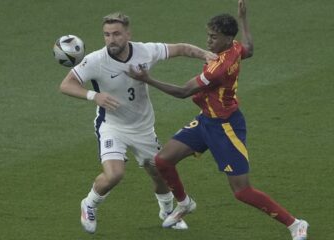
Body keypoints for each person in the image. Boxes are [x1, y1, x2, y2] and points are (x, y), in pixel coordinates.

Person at [127, 1, 309, 239]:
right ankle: (184, 204)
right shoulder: (233, 47)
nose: (208, 41)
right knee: (162, 161)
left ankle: (295, 224)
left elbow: (183, 92)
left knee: (242, 191)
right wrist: (243, 19)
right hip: (206, 121)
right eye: (208, 36)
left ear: (225, 37)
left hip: (225, 128)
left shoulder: (218, 69)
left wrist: (147, 79)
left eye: (213, 37)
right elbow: (250, 49)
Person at [59, 12, 217, 234]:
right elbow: (66, 84)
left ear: (128, 34)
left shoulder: (145, 50)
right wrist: (94, 96)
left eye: (116, 34)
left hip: (143, 128)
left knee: (159, 173)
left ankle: (166, 211)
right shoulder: (95, 60)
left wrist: (205, 55)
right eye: (106, 35)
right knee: (115, 174)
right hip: (112, 126)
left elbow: (180, 48)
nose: (111, 39)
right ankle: (89, 204)